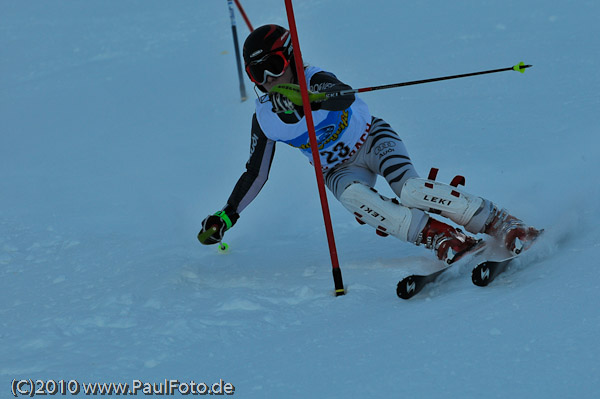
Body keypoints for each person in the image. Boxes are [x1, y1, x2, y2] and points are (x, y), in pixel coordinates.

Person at [198, 24, 540, 264]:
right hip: (337, 169)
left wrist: (309, 100)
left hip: (372, 140)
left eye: (275, 66)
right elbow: (256, 173)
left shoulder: (314, 78)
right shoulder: (265, 118)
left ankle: (498, 221)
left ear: (291, 57)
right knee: (357, 199)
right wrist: (228, 215)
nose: (270, 80)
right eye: (259, 74)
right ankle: (438, 236)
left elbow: (342, 97)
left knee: (411, 191)